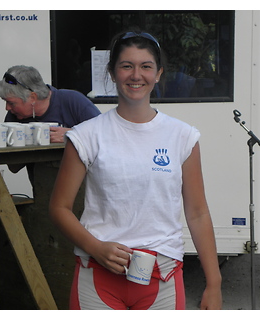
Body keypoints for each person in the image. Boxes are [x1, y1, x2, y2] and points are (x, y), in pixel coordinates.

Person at [49, 30, 222, 310]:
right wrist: (95, 247)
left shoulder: (182, 136)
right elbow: (59, 208)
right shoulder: (86, 135)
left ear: (159, 74)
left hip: (162, 275)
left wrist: (214, 284)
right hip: (97, 274)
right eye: (126, 66)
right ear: (112, 72)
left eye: (146, 66)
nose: (136, 75)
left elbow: (198, 213)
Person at [0, 65, 101, 185]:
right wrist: (27, 138)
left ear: (33, 97)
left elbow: (106, 138)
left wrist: (74, 136)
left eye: (11, 103)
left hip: (85, 191)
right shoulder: (14, 118)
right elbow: (13, 167)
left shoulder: (72, 101)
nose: (7, 108)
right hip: (43, 192)